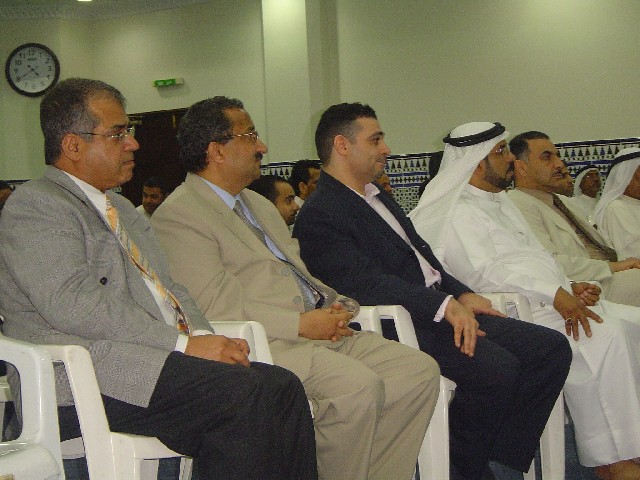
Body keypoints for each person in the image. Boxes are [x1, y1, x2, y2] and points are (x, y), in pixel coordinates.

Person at [0, 78, 317, 480]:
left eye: (129, 131)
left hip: (155, 361)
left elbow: (170, 288)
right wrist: (184, 345)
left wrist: (207, 338)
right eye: (118, 134)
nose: (132, 144)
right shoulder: (37, 205)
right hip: (84, 374)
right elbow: (74, 304)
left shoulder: (121, 209)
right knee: (244, 395)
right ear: (73, 145)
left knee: (284, 388)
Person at [151, 96, 439, 480]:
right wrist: (301, 324)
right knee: (356, 388)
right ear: (216, 150)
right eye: (250, 135)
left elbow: (295, 273)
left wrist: (337, 306)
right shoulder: (180, 215)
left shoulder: (257, 204)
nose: (262, 146)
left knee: (417, 372)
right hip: (266, 343)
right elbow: (211, 308)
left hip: (316, 331)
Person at [293, 104, 571, 480]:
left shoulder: (377, 196)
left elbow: (426, 262)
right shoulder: (321, 213)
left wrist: (462, 294)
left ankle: (491, 460)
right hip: (401, 324)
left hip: (436, 309)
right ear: (342, 146)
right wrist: (444, 305)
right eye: (376, 140)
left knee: (549, 349)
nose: (386, 149)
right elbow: (364, 284)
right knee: (496, 369)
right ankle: (468, 467)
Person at [411, 121, 640, 480]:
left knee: (634, 323)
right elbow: (484, 274)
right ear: (476, 161)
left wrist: (571, 286)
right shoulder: (456, 211)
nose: (510, 160)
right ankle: (611, 461)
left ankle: (633, 447)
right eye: (500, 151)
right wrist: (554, 293)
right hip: (517, 313)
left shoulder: (501, 202)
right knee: (605, 336)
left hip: (548, 301)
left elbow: (535, 259)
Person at [507, 131, 640, 307]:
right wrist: (613, 267)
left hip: (608, 278)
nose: (559, 164)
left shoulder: (563, 202)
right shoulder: (516, 203)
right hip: (585, 288)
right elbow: (550, 263)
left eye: (557, 156)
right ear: (521, 167)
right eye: (547, 157)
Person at [595, 147, 640, 259]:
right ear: (624, 178)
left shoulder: (635, 203)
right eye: (638, 178)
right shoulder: (616, 208)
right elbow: (630, 252)